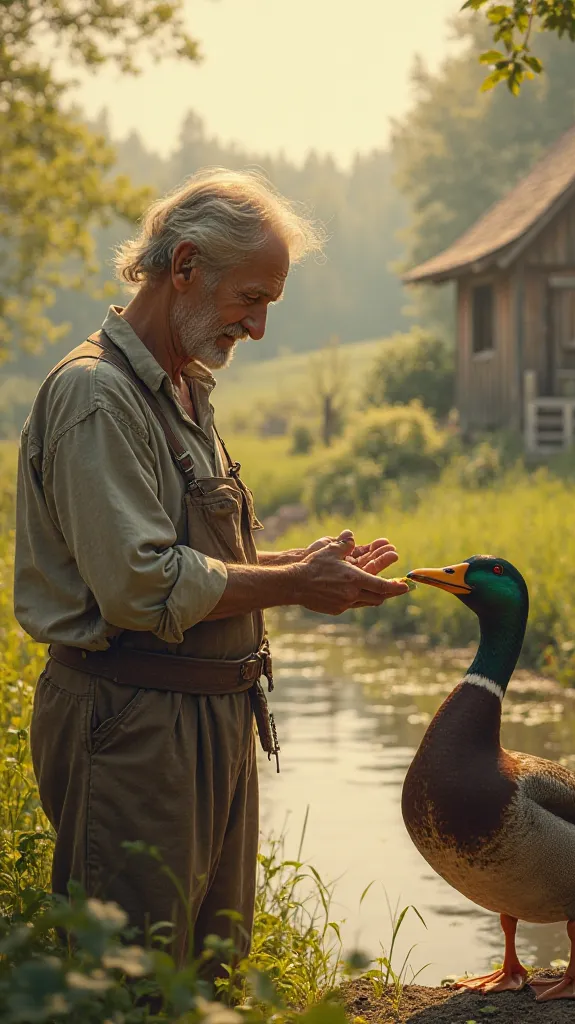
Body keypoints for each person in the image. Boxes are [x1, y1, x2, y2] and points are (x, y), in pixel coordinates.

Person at [13, 168, 409, 979]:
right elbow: (140, 585)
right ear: (184, 265)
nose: (259, 327)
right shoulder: (98, 396)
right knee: (131, 983)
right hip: (131, 726)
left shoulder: (186, 389)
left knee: (210, 981)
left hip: (207, 721)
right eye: (251, 298)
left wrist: (300, 564)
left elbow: (190, 560)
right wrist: (298, 586)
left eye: (269, 304)